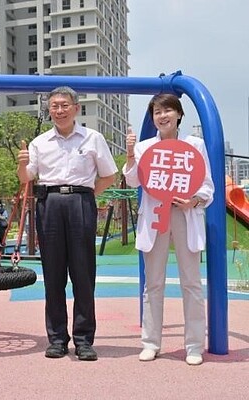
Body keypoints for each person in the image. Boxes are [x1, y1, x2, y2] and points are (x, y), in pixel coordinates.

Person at [17, 86, 117, 361]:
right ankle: (57, 339)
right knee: (53, 275)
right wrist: (21, 164)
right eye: (54, 106)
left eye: (64, 105)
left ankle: (84, 340)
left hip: (81, 203)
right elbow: (27, 178)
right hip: (48, 204)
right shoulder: (39, 142)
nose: (58, 110)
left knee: (83, 274)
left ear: (76, 108)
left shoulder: (92, 138)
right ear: (49, 110)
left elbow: (108, 175)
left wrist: (86, 195)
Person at [122, 94, 214, 366]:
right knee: (153, 284)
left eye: (167, 110)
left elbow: (207, 184)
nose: (162, 116)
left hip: (186, 215)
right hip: (155, 217)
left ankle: (194, 346)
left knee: (192, 283)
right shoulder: (143, 147)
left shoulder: (194, 144)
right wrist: (129, 154)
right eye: (157, 112)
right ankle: (151, 343)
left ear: (179, 115)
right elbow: (132, 181)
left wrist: (193, 200)